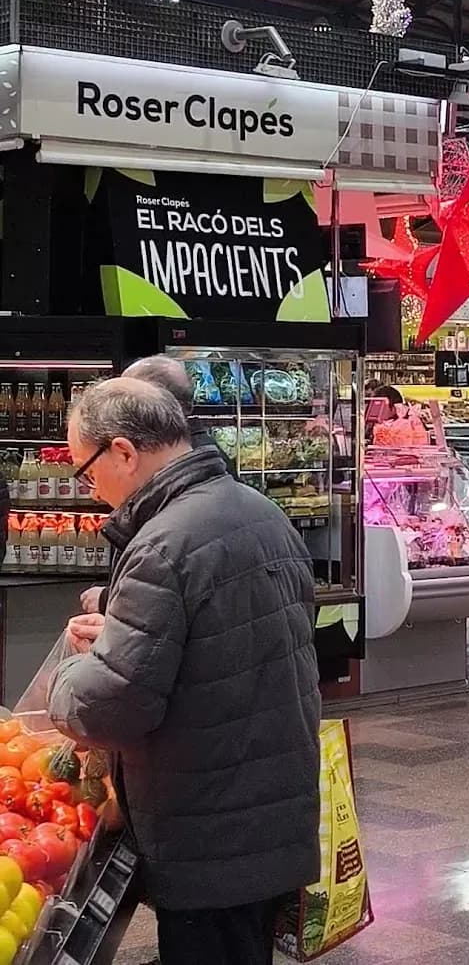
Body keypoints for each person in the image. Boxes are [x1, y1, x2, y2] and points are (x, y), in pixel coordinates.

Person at [47, 377, 321, 965]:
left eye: (86, 470)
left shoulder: (165, 542)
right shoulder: (257, 510)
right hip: (266, 800)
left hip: (207, 821)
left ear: (123, 450)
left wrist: (67, 679)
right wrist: (124, 616)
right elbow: (232, 632)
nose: (91, 490)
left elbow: (111, 704)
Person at [81, 354, 233, 616]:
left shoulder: (167, 529)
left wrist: (111, 604)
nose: (95, 493)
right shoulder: (210, 467)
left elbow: (170, 597)